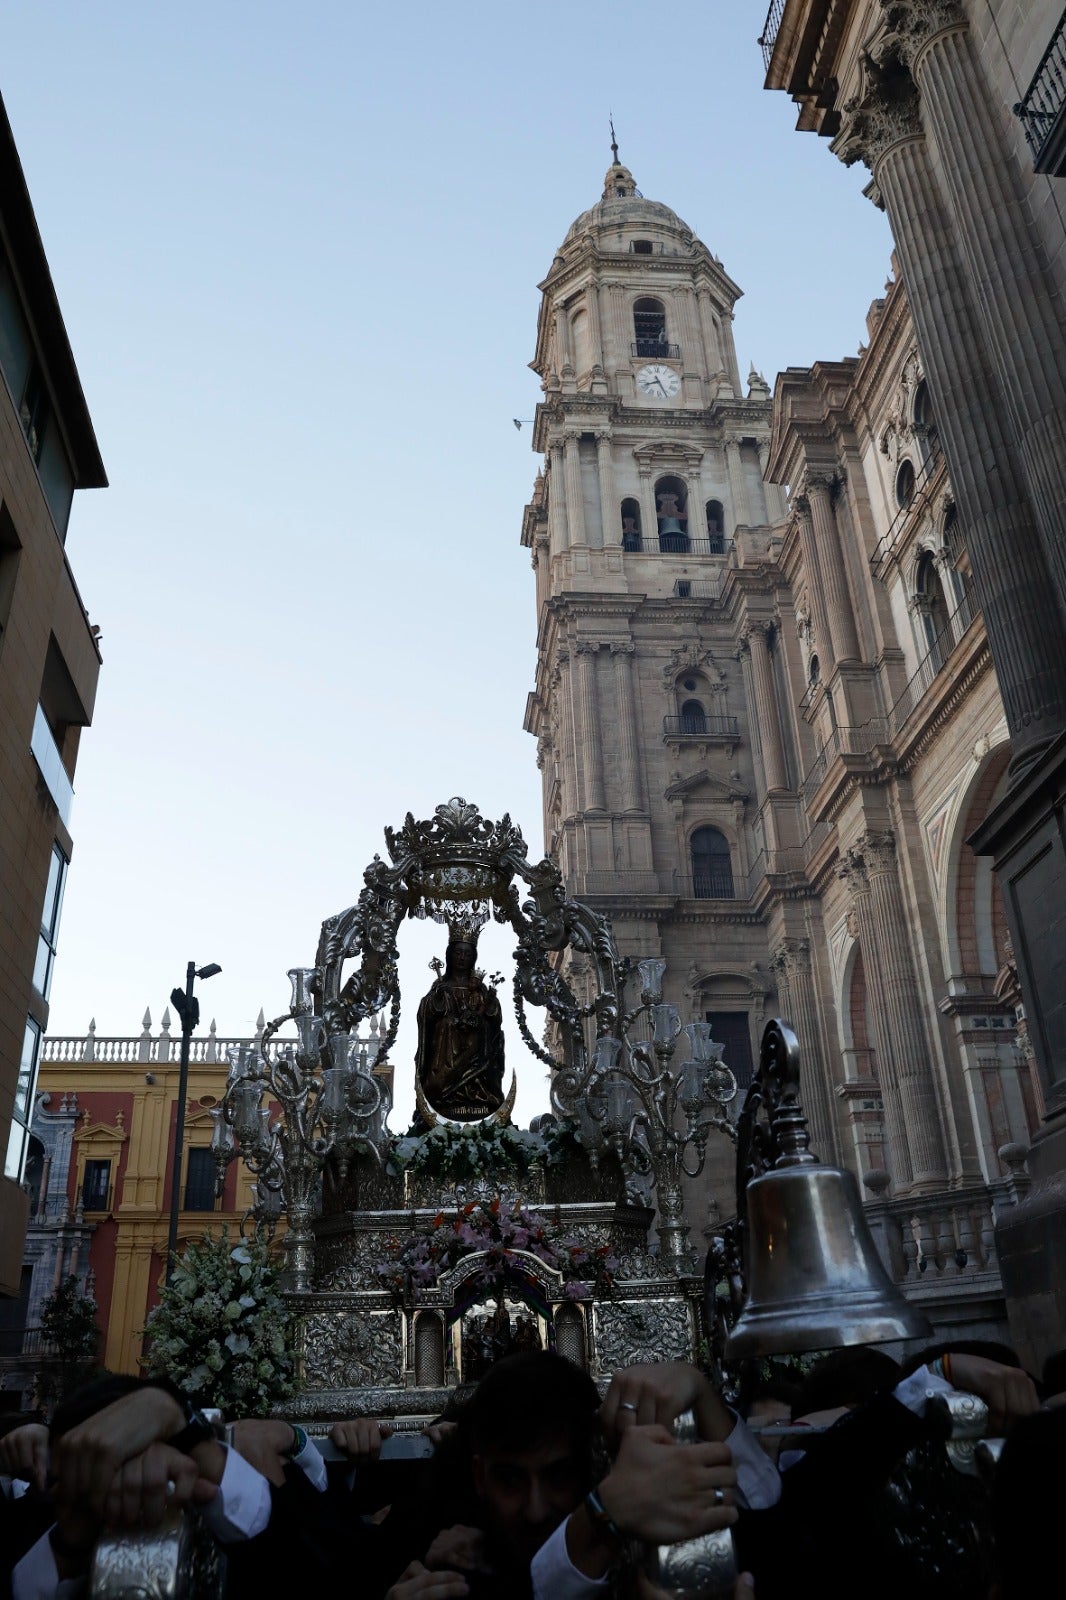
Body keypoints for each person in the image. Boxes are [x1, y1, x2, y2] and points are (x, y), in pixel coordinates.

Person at [415, 938, 505, 1120]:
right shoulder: (440, 985)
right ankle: (441, 1092)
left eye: (468, 954)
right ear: (449, 956)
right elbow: (426, 1013)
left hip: (476, 1044)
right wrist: (437, 1000)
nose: (462, 957)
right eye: (458, 953)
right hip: (445, 1046)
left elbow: (494, 1017)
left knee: (481, 1031)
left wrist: (490, 1004)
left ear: (473, 958)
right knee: (446, 1024)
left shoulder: (481, 989)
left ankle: (479, 1095)